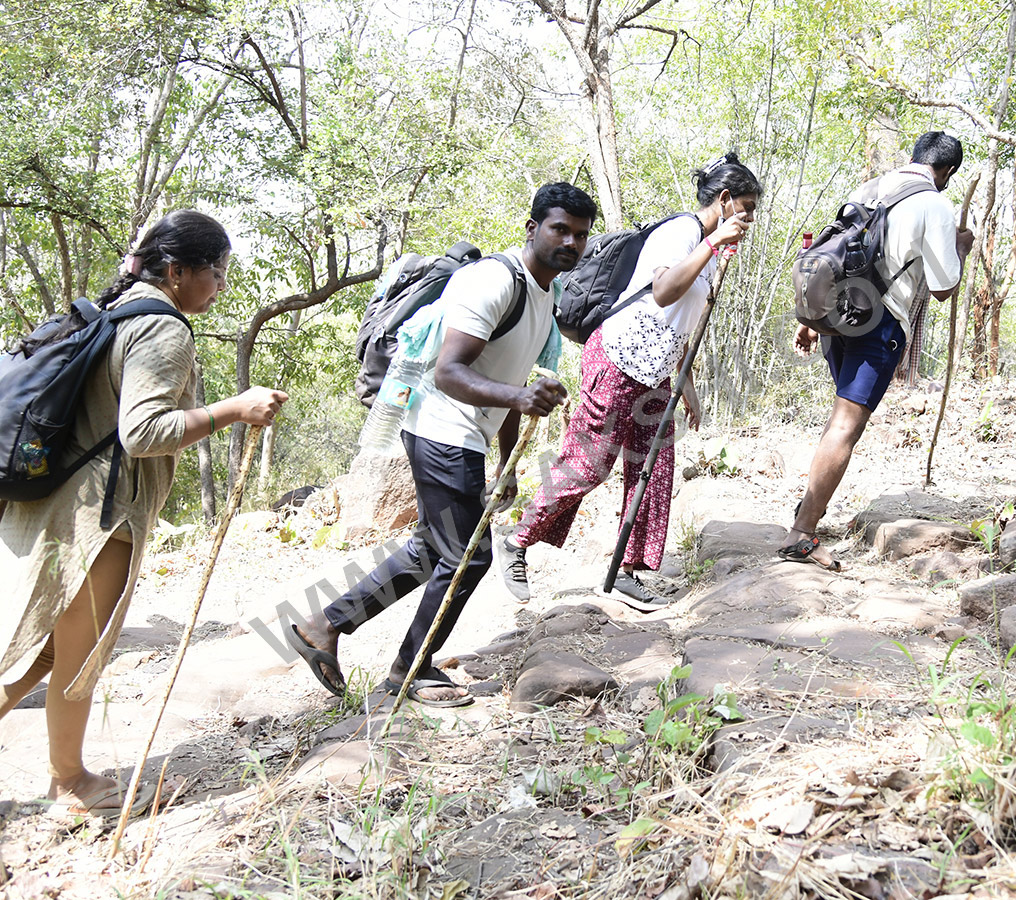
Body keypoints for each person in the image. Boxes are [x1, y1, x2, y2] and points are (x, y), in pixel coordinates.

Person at [0, 210, 287, 817]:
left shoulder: (117, 311)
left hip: (52, 508)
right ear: (178, 271)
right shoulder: (163, 329)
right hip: (94, 522)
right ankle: (70, 783)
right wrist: (236, 408)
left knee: (43, 651)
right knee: (78, 654)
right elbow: (144, 431)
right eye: (217, 271)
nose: (221, 285)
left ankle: (68, 775)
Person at [288, 183, 596, 707]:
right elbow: (450, 372)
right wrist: (520, 399)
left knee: (432, 547)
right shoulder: (495, 281)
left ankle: (325, 626)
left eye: (580, 235)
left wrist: (507, 461)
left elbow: (505, 379)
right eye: (559, 229)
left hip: (464, 432)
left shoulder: (546, 295)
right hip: (441, 426)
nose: (569, 242)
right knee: (467, 558)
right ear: (532, 228)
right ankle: (410, 671)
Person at [497, 153, 761, 607]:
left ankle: (627, 568)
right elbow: (663, 292)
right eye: (747, 207)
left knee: (653, 471)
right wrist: (713, 241)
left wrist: (687, 387)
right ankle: (516, 541)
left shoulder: (711, 249)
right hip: (619, 359)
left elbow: (682, 322)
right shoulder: (680, 233)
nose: (751, 218)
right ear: (724, 200)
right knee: (589, 463)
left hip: (658, 374)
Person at [783, 132, 974, 570]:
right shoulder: (935, 204)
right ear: (946, 172)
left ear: (914, 157)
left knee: (839, 422)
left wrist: (810, 320)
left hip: (839, 315)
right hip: (879, 323)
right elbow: (945, 288)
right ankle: (802, 533)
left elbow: (834, 250)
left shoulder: (869, 187)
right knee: (845, 427)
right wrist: (960, 249)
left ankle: (806, 510)